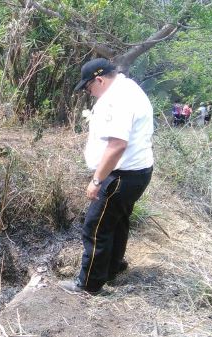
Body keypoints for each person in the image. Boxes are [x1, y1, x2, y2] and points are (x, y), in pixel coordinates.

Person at [59, 58, 154, 295]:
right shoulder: (129, 88)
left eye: (89, 88)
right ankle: (112, 268)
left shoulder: (117, 99)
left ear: (99, 79)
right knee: (117, 222)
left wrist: (96, 180)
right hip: (138, 172)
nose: (89, 93)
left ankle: (88, 284)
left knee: (95, 227)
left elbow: (117, 145)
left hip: (121, 175)